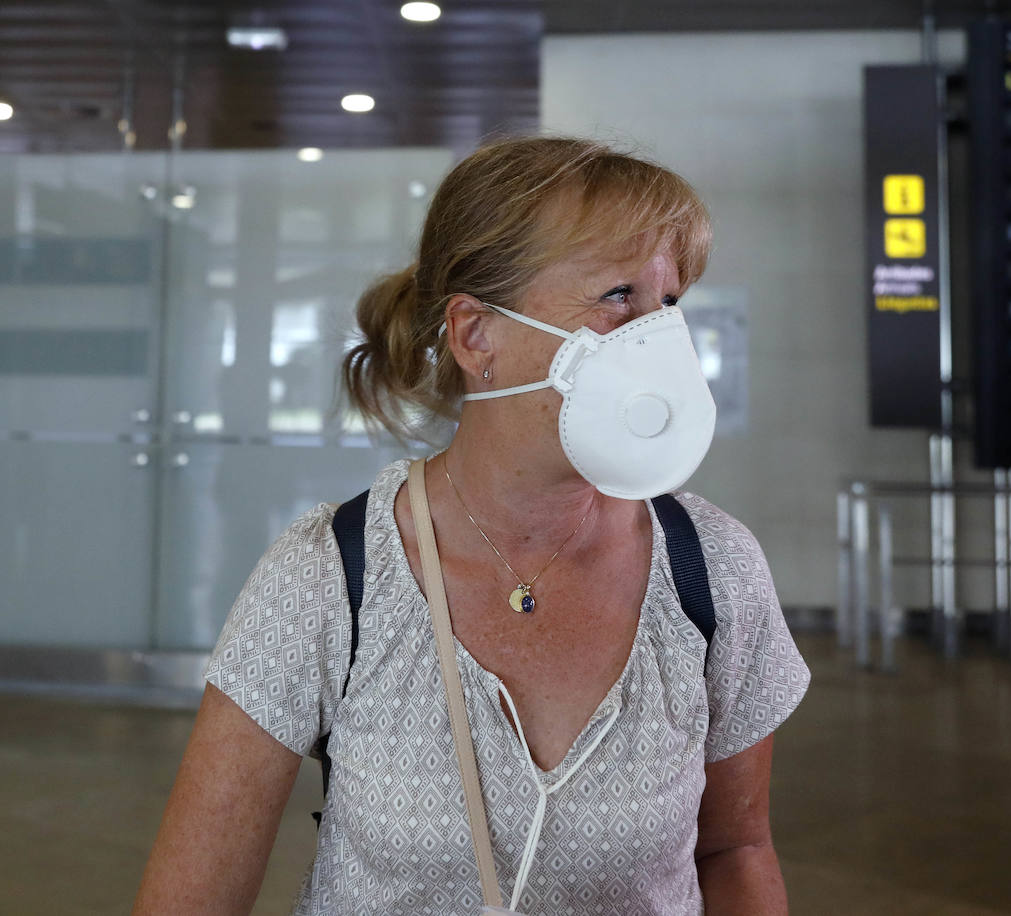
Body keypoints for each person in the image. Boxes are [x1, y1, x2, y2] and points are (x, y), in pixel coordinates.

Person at [134, 136, 810, 915]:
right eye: (618, 293)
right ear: (475, 336)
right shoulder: (328, 576)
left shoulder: (712, 569)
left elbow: (735, 847)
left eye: (668, 303)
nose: (658, 339)